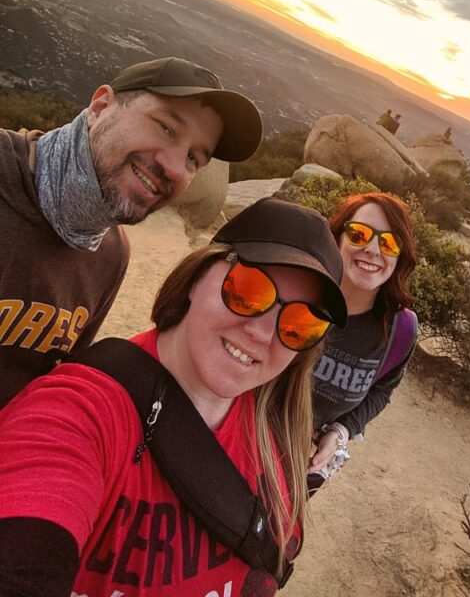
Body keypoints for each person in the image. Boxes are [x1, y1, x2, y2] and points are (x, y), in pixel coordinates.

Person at [0, 197, 347, 596]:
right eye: (249, 290)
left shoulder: (278, 437)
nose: (263, 333)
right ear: (198, 277)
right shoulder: (82, 409)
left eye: (301, 322)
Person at [0, 57, 263, 404]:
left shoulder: (110, 253)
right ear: (101, 106)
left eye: (193, 159)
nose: (173, 167)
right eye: (166, 127)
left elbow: (49, 381)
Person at [308, 192, 418, 490]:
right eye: (359, 235)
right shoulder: (302, 293)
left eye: (389, 242)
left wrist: (342, 431)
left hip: (306, 463)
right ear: (338, 238)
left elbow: (381, 390)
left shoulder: (401, 329)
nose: (372, 249)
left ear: (400, 254)